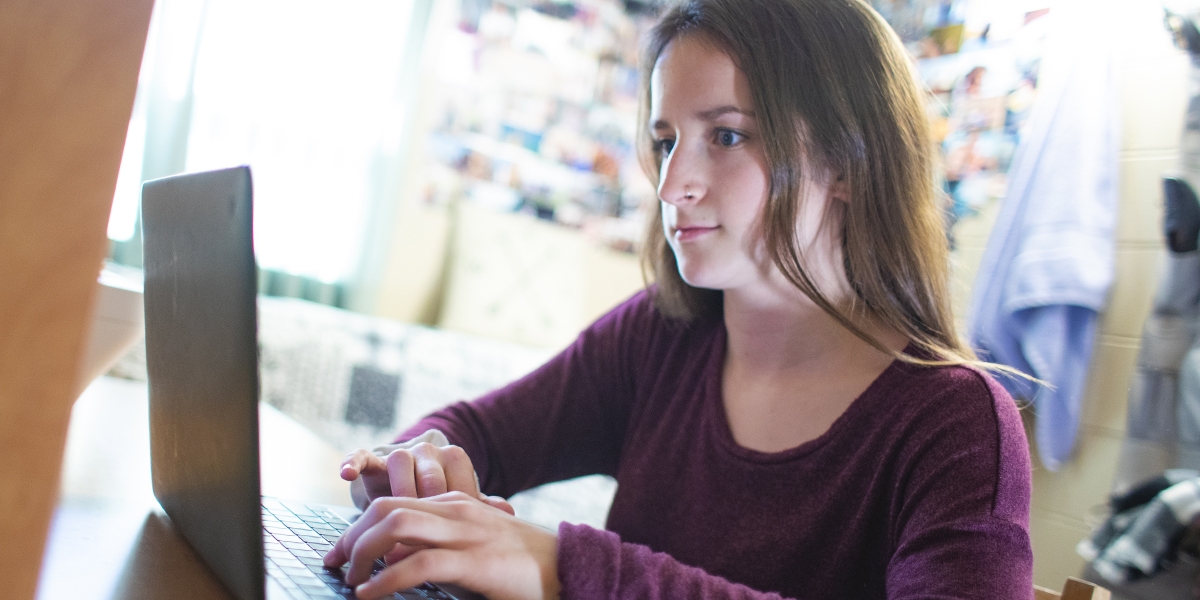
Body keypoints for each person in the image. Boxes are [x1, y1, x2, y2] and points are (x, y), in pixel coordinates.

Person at [322, 0, 1034, 598]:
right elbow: (471, 430)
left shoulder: (958, 426)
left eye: (726, 136)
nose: (671, 186)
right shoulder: (662, 336)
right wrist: (418, 463)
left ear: (846, 163)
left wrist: (564, 566)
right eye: (666, 141)